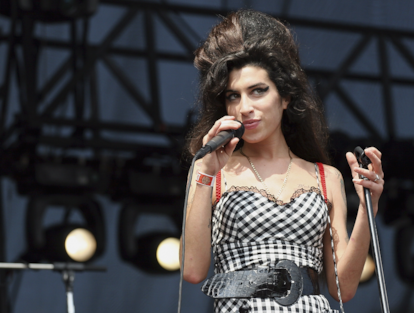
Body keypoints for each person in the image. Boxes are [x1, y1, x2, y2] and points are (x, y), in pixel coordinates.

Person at [181, 9, 384, 313]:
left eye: (258, 91)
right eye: (233, 96)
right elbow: (192, 270)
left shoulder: (325, 176)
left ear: (285, 97)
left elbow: (344, 288)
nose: (244, 107)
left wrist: (369, 208)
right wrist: (204, 173)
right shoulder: (213, 169)